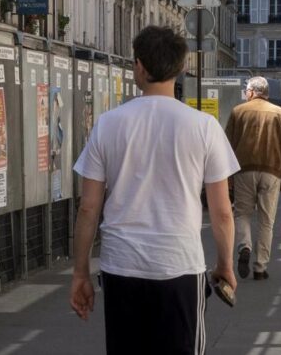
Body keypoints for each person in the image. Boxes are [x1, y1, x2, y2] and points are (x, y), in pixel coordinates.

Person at [70, 26, 239, 354]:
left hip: (121, 267)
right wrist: (225, 264)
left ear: (139, 66)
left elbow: (88, 208)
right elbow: (221, 211)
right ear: (180, 68)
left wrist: (80, 273)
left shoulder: (108, 124)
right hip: (178, 266)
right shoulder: (203, 126)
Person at [225, 76, 281, 281]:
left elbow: (227, 143)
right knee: (266, 221)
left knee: (242, 214)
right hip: (272, 172)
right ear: (266, 93)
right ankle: (260, 267)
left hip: (243, 170)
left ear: (251, 92)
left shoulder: (238, 112)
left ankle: (244, 246)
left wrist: (227, 175)